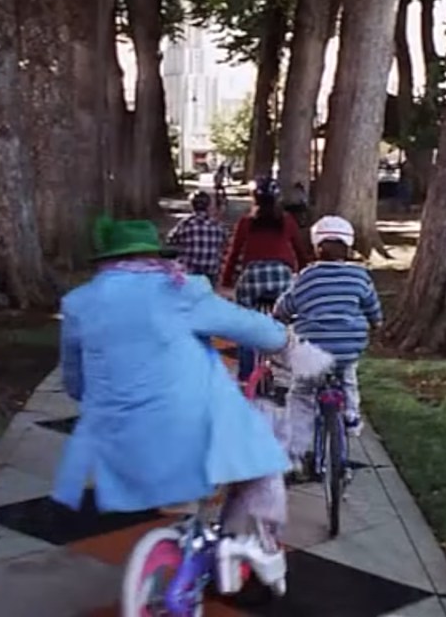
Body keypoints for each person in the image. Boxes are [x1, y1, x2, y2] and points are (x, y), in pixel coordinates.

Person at [53, 216, 291, 592]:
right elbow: (254, 329)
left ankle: (196, 542)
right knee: (262, 464)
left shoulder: (79, 303)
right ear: (155, 255)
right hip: (190, 432)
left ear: (104, 259)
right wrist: (283, 340)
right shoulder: (179, 291)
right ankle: (244, 543)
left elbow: (75, 380)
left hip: (118, 443)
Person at [273, 215, 383, 438]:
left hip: (312, 348)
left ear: (316, 247)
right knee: (348, 377)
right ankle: (351, 417)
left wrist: (279, 318)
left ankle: (297, 434)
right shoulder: (360, 276)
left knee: (302, 390)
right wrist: (376, 323)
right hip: (348, 346)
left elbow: (285, 306)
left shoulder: (306, 277)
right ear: (349, 247)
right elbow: (372, 307)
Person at [218, 177, 311, 380]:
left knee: (244, 324)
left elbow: (234, 254)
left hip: (252, 277)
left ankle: (245, 374)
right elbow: (300, 251)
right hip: (282, 276)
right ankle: (291, 370)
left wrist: (225, 282)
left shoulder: (246, 222)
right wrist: (306, 272)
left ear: (254, 198)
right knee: (290, 322)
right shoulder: (287, 220)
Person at [165, 190, 228, 284]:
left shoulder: (186, 223)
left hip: (189, 271)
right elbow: (224, 243)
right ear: (208, 206)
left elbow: (170, 240)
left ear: (192, 206)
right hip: (210, 272)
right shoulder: (217, 225)